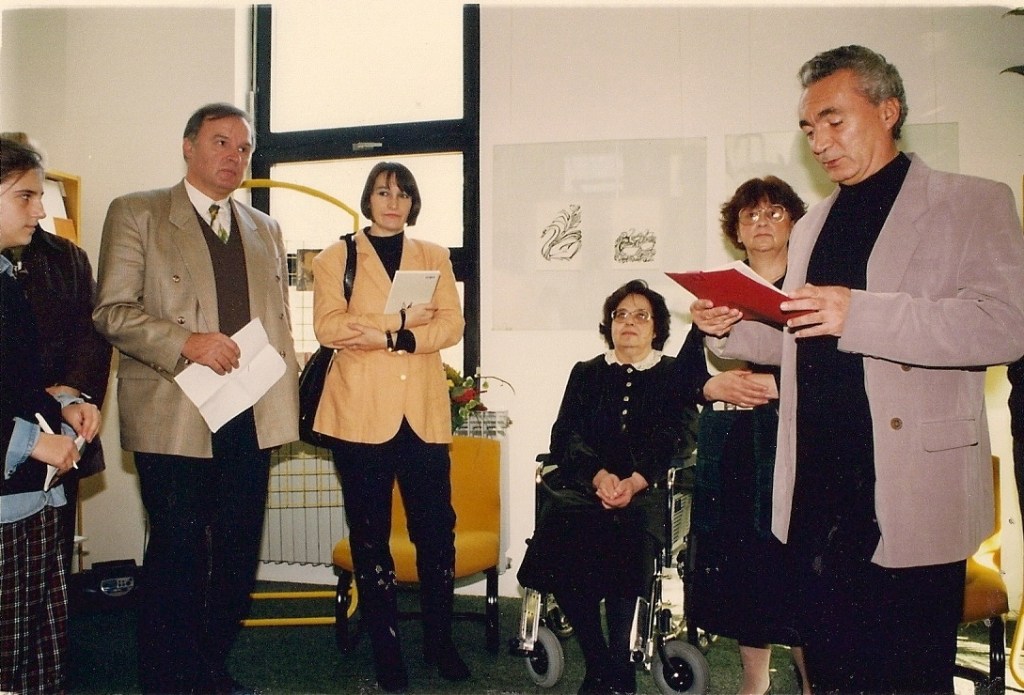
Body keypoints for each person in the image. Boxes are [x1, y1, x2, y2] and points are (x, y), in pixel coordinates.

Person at [692, 45, 1024, 694]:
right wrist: (731, 326)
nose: (819, 141)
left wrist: (860, 312)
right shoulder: (813, 224)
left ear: (888, 110)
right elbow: (802, 337)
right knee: (833, 676)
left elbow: (1005, 325)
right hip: (816, 497)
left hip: (908, 495)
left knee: (906, 680)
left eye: (833, 120)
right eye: (808, 127)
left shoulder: (973, 202)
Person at [92, 103, 299, 695]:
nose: (234, 156)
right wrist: (186, 342)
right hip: (175, 412)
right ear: (188, 146)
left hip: (250, 414)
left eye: (244, 147)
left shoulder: (265, 228)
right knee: (178, 553)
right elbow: (111, 311)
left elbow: (279, 322)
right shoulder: (138, 212)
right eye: (220, 142)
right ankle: (165, 680)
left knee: (237, 554)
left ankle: (209, 669)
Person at [311, 161, 467, 693]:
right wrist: (397, 323)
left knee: (436, 532)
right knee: (370, 536)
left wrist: (395, 340)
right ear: (368, 199)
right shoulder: (336, 256)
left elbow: (452, 324)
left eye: (402, 194)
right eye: (382, 192)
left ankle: (440, 641)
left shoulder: (435, 256)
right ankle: (387, 650)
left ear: (413, 202)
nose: (393, 202)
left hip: (422, 415)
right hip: (359, 416)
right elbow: (328, 327)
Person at [529, 279, 697, 695]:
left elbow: (679, 436)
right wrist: (599, 476)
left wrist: (635, 480)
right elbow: (564, 436)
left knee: (630, 533)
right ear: (610, 324)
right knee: (559, 524)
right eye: (621, 315)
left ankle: (619, 662)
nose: (629, 322)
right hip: (587, 487)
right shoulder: (586, 373)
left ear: (656, 328)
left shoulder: (674, 374)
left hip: (646, 489)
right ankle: (599, 660)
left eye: (641, 315)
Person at [677, 177, 810, 695]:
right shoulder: (718, 296)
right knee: (747, 568)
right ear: (736, 230)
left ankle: (810, 681)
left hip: (797, 445)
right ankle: (754, 681)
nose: (761, 223)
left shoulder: (811, 285)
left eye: (775, 212)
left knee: (796, 569)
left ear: (795, 223)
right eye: (750, 215)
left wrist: (781, 386)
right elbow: (682, 378)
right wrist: (714, 385)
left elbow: (838, 371)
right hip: (737, 446)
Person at [1, 136, 102, 694]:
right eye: (25, 197)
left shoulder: (6, 278)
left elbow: (19, 382)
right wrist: (31, 443)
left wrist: (65, 403)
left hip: (32, 493)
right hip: (13, 490)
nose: (40, 211)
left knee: (36, 650)